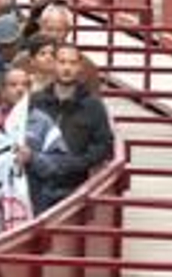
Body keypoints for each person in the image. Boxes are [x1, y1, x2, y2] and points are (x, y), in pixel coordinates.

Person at [22, 44, 114, 212]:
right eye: (62, 62)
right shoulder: (35, 101)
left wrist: (74, 164)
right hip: (35, 187)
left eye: (72, 63)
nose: (67, 68)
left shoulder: (93, 106)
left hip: (74, 189)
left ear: (80, 67)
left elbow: (103, 146)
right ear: (53, 64)